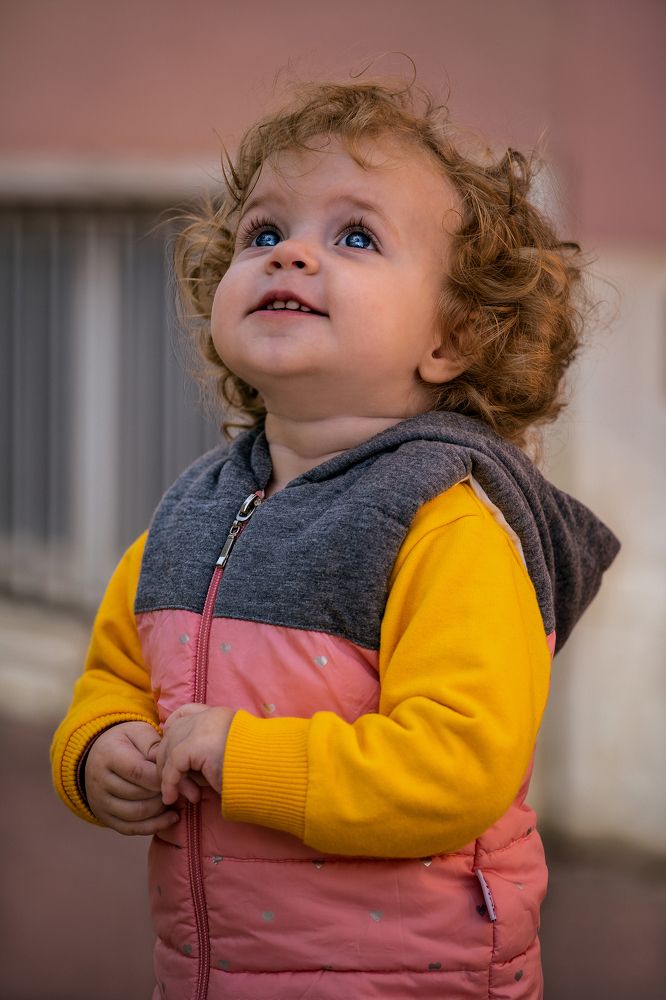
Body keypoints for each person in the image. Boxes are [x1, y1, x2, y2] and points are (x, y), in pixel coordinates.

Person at [51, 77, 619, 1000]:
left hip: (412, 978)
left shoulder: (449, 523)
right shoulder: (191, 512)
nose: (290, 255)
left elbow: (456, 767)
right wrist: (97, 748)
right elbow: (113, 676)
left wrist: (243, 759)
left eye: (355, 236)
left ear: (453, 337)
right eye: (263, 234)